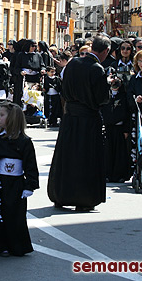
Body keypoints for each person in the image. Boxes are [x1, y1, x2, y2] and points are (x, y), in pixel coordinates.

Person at [47, 35, 111, 211]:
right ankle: (84, 198)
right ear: (105, 51)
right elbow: (102, 99)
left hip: (70, 117)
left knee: (66, 157)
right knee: (85, 159)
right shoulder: (97, 69)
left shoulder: (74, 63)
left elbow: (63, 88)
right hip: (88, 119)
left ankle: (60, 194)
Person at [0, 102, 38, 257]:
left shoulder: (24, 142)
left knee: (16, 215)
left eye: (2, 115)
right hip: (0, 181)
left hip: (16, 183)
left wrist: (30, 185)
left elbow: (30, 165)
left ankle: (17, 246)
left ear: (12, 118)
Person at [101, 73, 131, 183]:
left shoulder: (124, 96)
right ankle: (107, 174)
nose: (115, 84)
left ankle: (120, 175)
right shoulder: (105, 95)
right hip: (108, 127)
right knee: (107, 152)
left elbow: (128, 114)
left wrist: (126, 129)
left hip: (120, 128)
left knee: (120, 153)